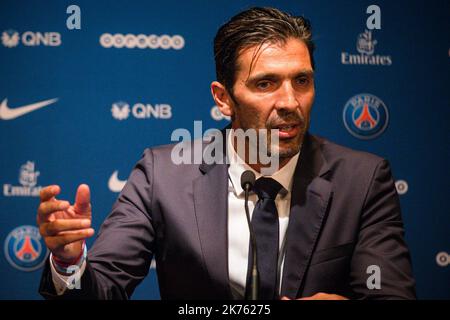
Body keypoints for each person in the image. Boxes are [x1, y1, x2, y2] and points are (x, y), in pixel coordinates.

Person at [37, 7, 416, 300]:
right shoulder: (163, 176)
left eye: (302, 81)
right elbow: (103, 288)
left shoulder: (362, 180)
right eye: (265, 84)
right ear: (223, 99)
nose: (290, 102)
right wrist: (70, 263)